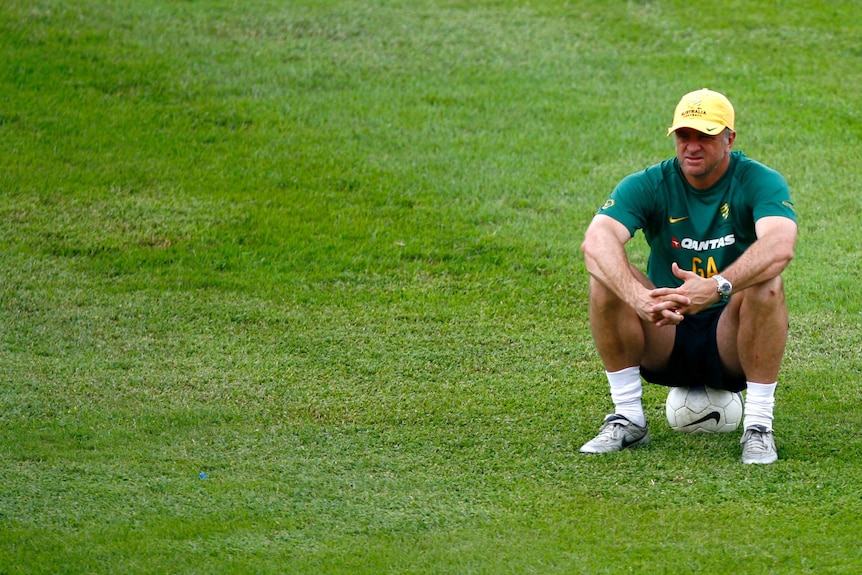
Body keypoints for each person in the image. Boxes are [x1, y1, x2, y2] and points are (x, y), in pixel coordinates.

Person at [578, 88, 798, 464]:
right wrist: (637, 297)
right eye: (684, 136)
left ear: (729, 138)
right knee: (606, 278)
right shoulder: (650, 183)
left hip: (733, 340)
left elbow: (780, 244)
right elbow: (596, 241)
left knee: (768, 284)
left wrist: (716, 288)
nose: (692, 147)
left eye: (705, 136)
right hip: (666, 330)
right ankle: (628, 417)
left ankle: (759, 426)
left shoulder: (759, 181)